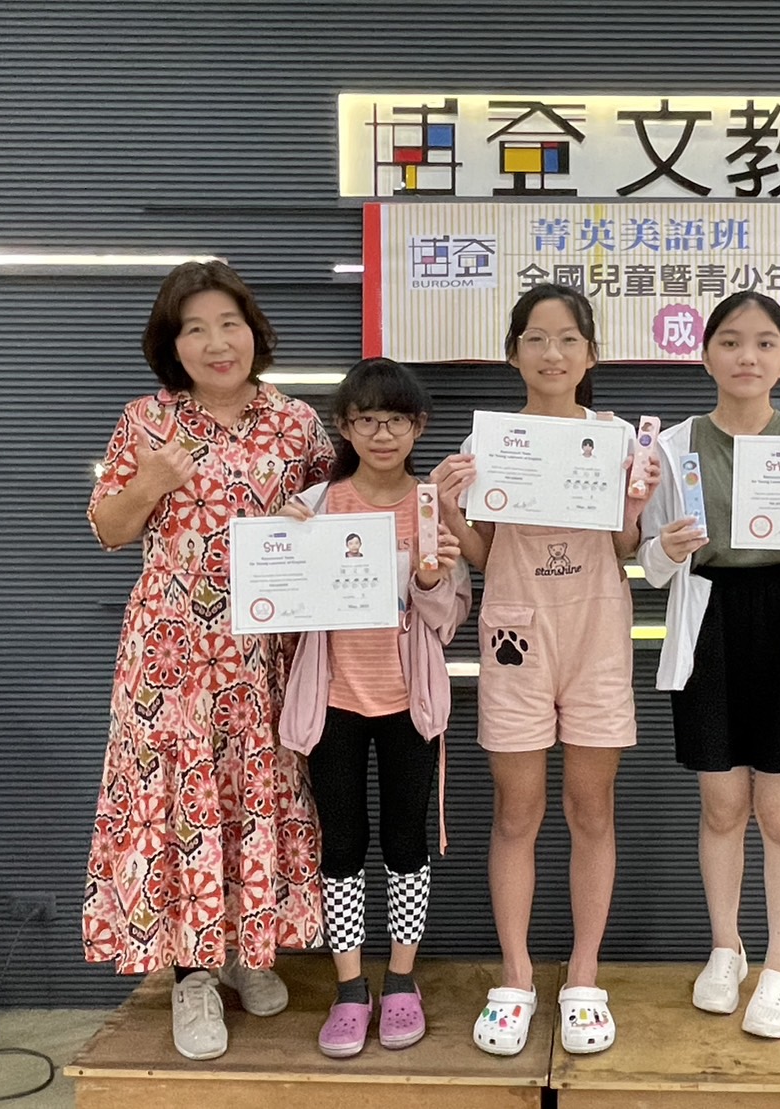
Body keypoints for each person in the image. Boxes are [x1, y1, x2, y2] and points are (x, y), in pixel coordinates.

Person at [82, 260, 334, 1061]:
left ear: (254, 332)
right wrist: (152, 480)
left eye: (229, 323)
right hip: (172, 656)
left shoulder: (296, 422)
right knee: (182, 802)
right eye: (195, 328)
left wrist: (313, 518)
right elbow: (108, 529)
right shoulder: (146, 420)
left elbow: (342, 513)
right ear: (173, 344)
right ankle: (190, 976)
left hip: (264, 655)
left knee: (252, 793)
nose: (217, 342)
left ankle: (244, 950)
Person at [431, 284, 661, 1057]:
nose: (552, 352)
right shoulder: (492, 440)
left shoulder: (617, 438)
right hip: (515, 636)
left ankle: (584, 975)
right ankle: (517, 976)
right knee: (515, 813)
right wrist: (450, 506)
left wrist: (635, 504)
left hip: (596, 636)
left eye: (568, 339)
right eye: (535, 338)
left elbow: (625, 548)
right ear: (513, 353)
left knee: (591, 811)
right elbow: (485, 555)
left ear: (590, 354)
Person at [638, 290, 780, 1040]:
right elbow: (652, 565)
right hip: (712, 625)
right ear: (704, 354)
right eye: (731, 341)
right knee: (720, 806)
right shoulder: (672, 449)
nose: (747, 356)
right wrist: (664, 551)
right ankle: (725, 948)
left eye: (765, 343)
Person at [276, 357, 469, 1058]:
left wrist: (430, 580)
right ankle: (350, 988)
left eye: (395, 419)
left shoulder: (432, 506)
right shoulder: (316, 505)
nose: (381, 433)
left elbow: (448, 621)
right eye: (366, 420)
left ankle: (402, 981)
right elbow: (281, 605)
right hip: (332, 699)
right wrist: (282, 545)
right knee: (342, 844)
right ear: (344, 427)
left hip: (409, 701)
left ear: (418, 427)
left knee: (406, 842)